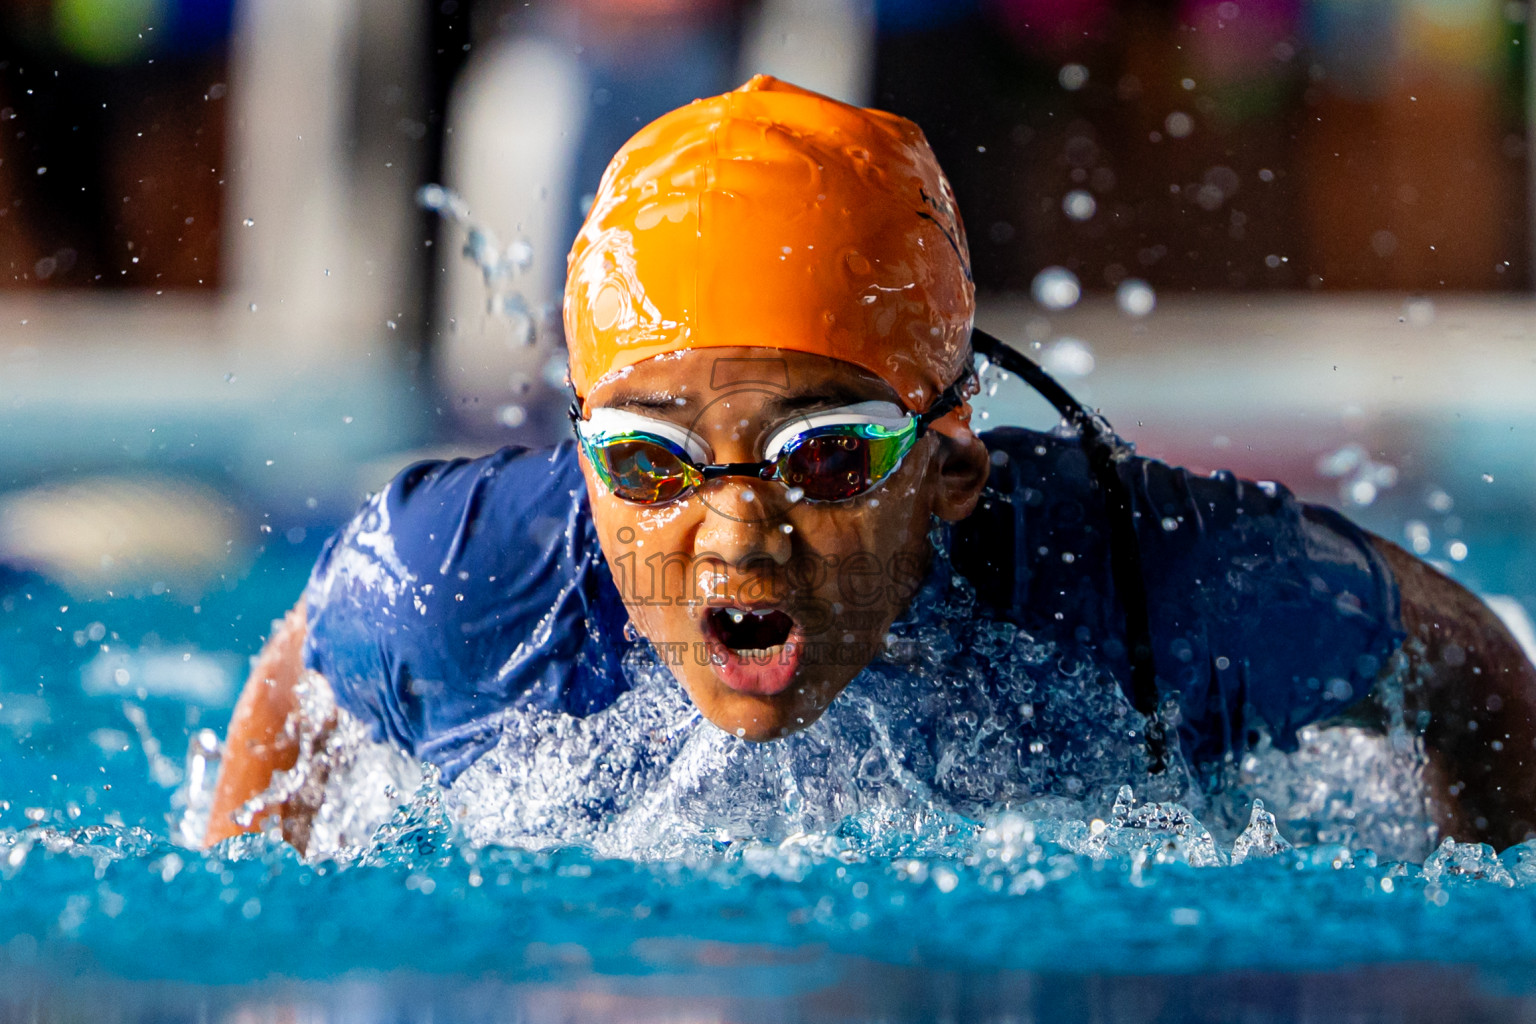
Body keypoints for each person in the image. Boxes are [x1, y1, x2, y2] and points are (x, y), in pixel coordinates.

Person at [204, 76, 1536, 854]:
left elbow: (1468, 664)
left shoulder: (1150, 580)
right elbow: (306, 665)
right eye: (651, 462)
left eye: (826, 457)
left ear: (949, 469)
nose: (734, 535)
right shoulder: (468, 584)